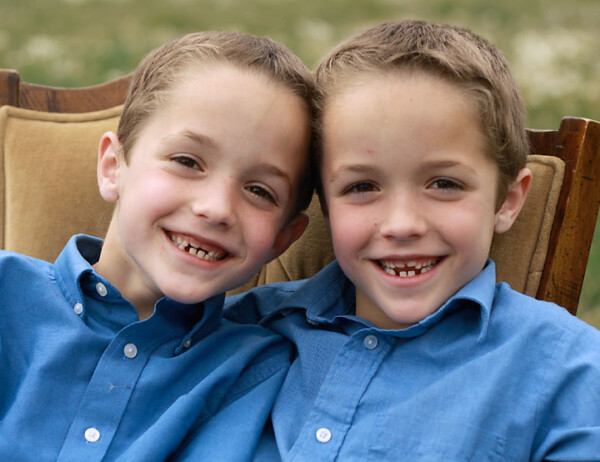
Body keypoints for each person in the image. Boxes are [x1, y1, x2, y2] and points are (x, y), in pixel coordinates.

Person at [225, 20, 600, 461]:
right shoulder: (243, 331)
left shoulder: (567, 369)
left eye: (443, 183)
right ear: (324, 205)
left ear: (508, 200)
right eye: (362, 187)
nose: (402, 225)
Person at [0, 31, 316, 461]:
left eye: (259, 190)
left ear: (283, 239)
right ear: (114, 167)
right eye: (187, 162)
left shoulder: (258, 370)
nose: (216, 208)